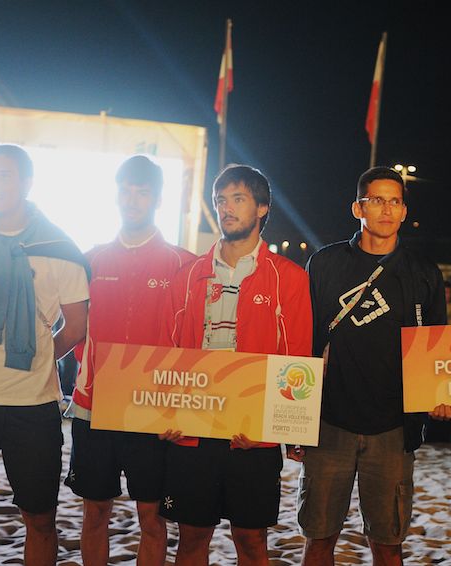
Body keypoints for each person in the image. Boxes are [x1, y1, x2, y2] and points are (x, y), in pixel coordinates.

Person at [296, 166, 451, 566]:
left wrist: (441, 396)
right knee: (318, 539)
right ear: (358, 208)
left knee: (387, 544)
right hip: (329, 425)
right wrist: (294, 419)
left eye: (395, 201)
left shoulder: (424, 273)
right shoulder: (325, 263)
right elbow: (303, 344)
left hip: (393, 429)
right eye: (377, 200)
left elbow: (436, 348)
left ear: (404, 211)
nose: (387, 209)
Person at [157, 164, 312, 565]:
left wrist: (281, 432)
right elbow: (166, 354)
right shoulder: (187, 276)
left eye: (238, 199)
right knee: (192, 538)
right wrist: (165, 413)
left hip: (252, 432)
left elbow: (297, 360)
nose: (226, 208)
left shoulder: (289, 278)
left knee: (251, 539)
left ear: (262, 208)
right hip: (193, 426)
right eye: (221, 200)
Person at [0, 144, 90, 565]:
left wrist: (39, 356)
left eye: (5, 175)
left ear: (28, 182)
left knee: (41, 519)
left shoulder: (61, 247)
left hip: (33, 404)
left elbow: (77, 327)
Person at [64, 155, 196, 565]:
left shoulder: (184, 263)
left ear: (157, 199)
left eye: (142, 192)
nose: (132, 200)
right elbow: (73, 328)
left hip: (153, 412)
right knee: (94, 514)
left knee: (152, 520)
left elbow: (192, 346)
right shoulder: (90, 259)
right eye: (125, 191)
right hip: (95, 407)